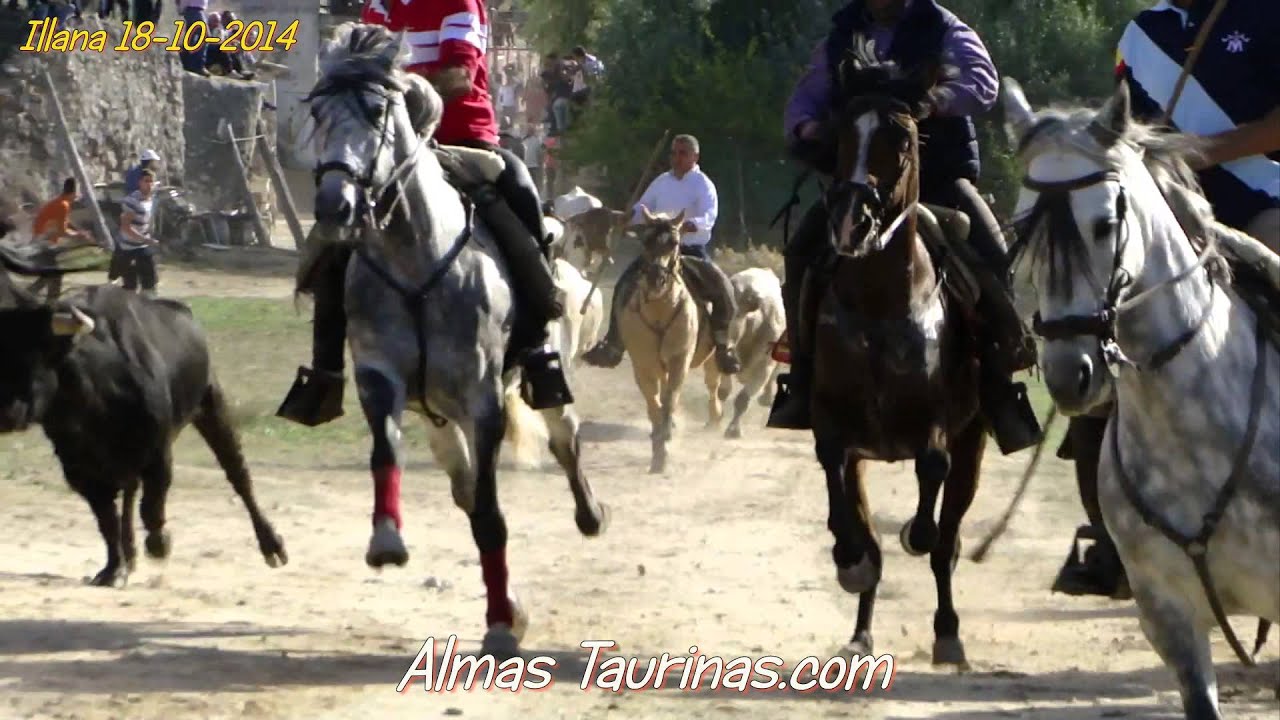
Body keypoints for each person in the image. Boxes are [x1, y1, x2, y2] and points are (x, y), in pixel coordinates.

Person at [1052, 0, 1280, 598]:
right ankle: (1113, 535)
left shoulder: (1268, 16)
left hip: (1257, 199)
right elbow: (1121, 129)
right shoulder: (1143, 31)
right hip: (1164, 219)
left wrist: (1200, 151)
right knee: (1095, 321)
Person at [763, 0, 1041, 457]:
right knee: (801, 249)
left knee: (992, 249)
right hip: (861, 180)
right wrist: (808, 127)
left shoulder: (944, 28)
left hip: (938, 176)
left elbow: (981, 83)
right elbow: (807, 95)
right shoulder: (842, 33)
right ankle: (803, 376)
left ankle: (998, 385)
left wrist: (934, 100)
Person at [276, 0, 573, 427]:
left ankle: (538, 345)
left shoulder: (458, 3)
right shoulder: (378, 8)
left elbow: (460, 77)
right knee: (335, 240)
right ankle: (326, 372)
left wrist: (392, 93)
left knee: (520, 190)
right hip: (384, 149)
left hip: (461, 138)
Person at [580, 134, 743, 375]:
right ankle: (613, 343)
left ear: (695, 157)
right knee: (623, 285)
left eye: (682, 153)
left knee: (723, 289)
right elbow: (643, 207)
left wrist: (691, 224)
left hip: (690, 249)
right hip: (657, 248)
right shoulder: (661, 181)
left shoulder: (703, 184)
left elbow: (710, 215)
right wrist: (629, 217)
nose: (676, 158)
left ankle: (722, 346)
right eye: (674, 153)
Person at [26, 177, 91, 302]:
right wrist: (79, 235)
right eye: (77, 193)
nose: (77, 196)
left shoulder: (59, 202)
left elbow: (60, 229)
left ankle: (31, 294)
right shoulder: (63, 205)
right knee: (55, 274)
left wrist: (77, 234)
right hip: (43, 242)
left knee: (50, 274)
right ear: (73, 192)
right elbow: (62, 231)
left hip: (42, 240)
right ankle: (48, 305)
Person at [111, 169, 160, 296]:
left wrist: (149, 236)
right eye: (146, 181)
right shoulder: (132, 201)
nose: (149, 184)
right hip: (128, 248)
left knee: (150, 282)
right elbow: (126, 228)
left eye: (151, 181)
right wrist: (146, 240)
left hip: (143, 246)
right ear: (140, 183)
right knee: (130, 286)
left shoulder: (152, 200)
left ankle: (147, 309)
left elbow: (148, 220)